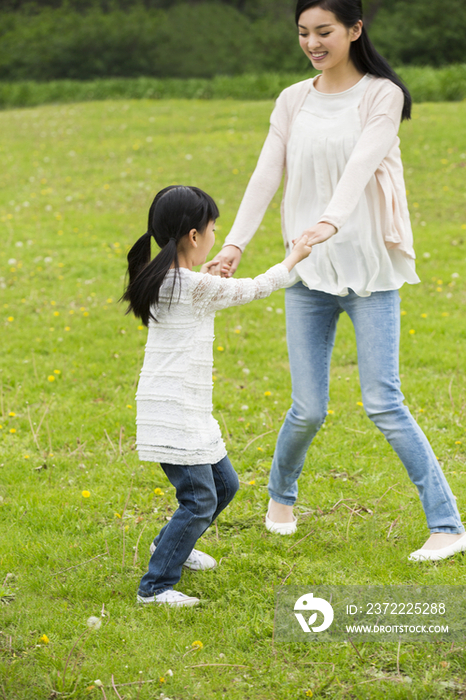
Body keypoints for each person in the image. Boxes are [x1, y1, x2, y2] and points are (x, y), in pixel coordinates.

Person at [213, 0, 466, 562]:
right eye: (303, 32)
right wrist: (234, 244)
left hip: (370, 269)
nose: (312, 43)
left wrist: (331, 218)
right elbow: (266, 172)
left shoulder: (382, 94)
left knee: (383, 402)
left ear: (354, 30)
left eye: (323, 31)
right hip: (306, 271)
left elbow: (361, 164)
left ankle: (447, 526)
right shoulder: (292, 99)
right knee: (307, 408)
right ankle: (281, 498)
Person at [121, 185, 313, 606]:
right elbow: (254, 288)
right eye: (213, 228)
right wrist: (293, 258)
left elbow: (196, 296)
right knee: (199, 499)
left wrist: (206, 277)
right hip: (174, 411)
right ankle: (155, 588)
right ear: (194, 236)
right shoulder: (188, 285)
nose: (214, 234)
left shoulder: (169, 277)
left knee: (224, 485)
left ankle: (170, 546)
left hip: (183, 407)